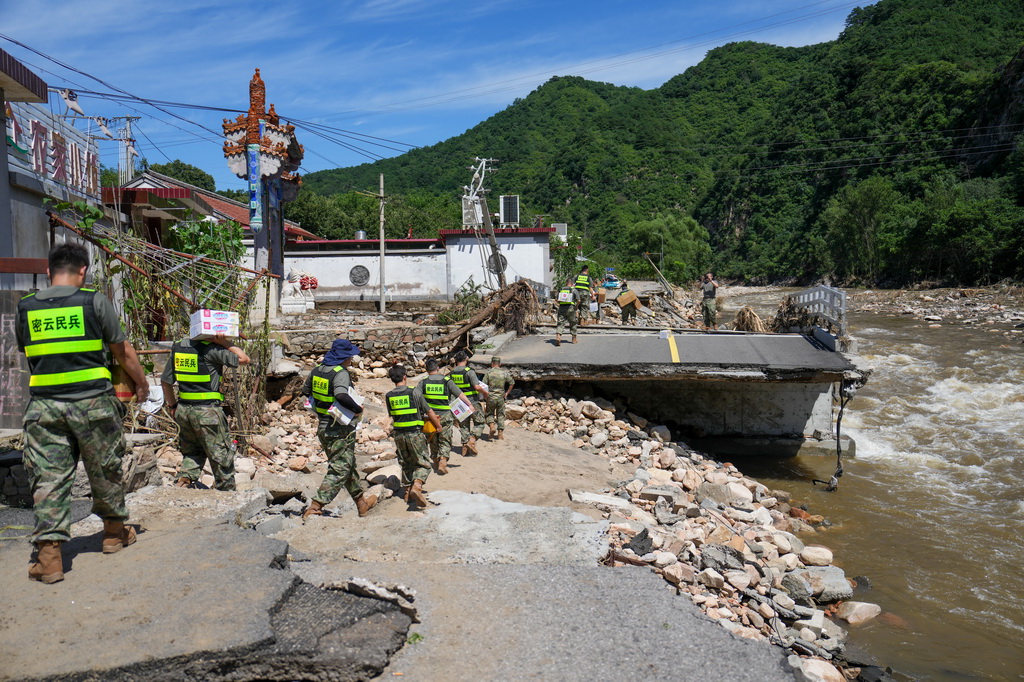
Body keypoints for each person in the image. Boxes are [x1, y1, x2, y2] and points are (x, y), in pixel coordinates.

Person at [18, 242, 148, 584]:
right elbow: (123, 351)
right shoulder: (93, 300)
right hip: (93, 403)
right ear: (83, 271)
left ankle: (49, 559)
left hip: (44, 407)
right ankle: (113, 535)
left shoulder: (26, 307)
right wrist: (141, 383)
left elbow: (30, 354)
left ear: (48, 272)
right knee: (105, 467)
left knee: (48, 479)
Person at [162, 331, 249, 491]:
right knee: (221, 456)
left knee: (192, 451)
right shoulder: (212, 350)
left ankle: (183, 484)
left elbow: (165, 381)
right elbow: (244, 359)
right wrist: (225, 342)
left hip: (183, 410)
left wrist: (172, 406)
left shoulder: (179, 347)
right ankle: (228, 494)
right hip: (207, 412)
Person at [301, 339, 378, 519]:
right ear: (344, 357)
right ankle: (316, 506)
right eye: (350, 355)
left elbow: (305, 392)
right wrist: (357, 409)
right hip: (339, 428)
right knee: (340, 468)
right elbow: (341, 395)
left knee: (347, 464)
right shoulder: (340, 373)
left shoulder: (317, 370)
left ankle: (362, 503)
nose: (352, 358)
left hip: (323, 425)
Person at [385, 364, 441, 508]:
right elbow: (429, 412)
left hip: (398, 435)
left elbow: (393, 415)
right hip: (414, 433)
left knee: (406, 463)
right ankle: (417, 485)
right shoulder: (414, 392)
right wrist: (438, 426)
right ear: (405, 376)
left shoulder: (389, 396)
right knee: (424, 464)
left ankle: (407, 493)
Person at [418, 357, 463, 474]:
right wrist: (469, 405)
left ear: (427, 370)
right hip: (445, 416)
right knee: (445, 440)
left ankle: (435, 461)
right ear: (438, 368)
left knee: (432, 440)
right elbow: (459, 394)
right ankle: (443, 460)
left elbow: (416, 398)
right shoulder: (447, 380)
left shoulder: (423, 382)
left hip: (429, 417)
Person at [449, 350, 489, 456]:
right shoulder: (469, 371)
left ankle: (464, 449)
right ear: (466, 359)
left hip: (459, 403)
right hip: (472, 401)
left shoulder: (452, 373)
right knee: (480, 423)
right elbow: (476, 386)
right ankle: (472, 440)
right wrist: (485, 393)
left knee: (464, 425)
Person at [482, 356, 515, 440]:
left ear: (492, 364)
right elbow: (512, 383)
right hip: (501, 397)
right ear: (500, 364)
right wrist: (507, 393)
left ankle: (492, 426)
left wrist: (485, 395)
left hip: (491, 397)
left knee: (489, 413)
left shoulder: (488, 373)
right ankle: (500, 434)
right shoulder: (504, 373)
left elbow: (483, 385)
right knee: (501, 415)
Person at [554, 276, 580, 346]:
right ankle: (574, 339)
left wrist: (560, 304)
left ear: (566, 283)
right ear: (572, 283)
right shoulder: (574, 290)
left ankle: (558, 336)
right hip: (571, 308)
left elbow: (556, 299)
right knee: (573, 323)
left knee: (560, 323)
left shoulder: (561, 289)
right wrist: (576, 307)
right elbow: (579, 300)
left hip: (562, 307)